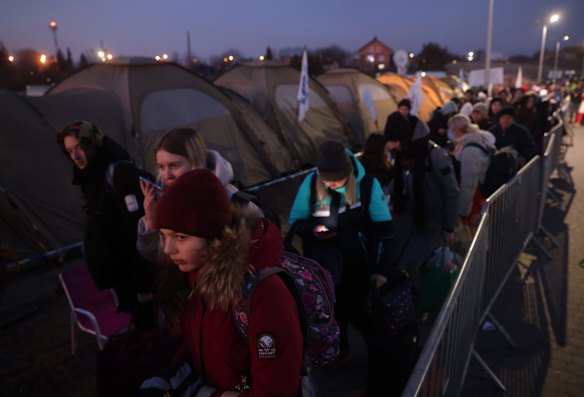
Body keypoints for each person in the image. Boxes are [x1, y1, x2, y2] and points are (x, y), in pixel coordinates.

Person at [142, 169, 302, 396]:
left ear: (213, 235)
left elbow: (275, 389)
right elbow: (199, 342)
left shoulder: (265, 293)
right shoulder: (195, 273)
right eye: (163, 236)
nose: (168, 249)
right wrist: (170, 375)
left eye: (180, 237)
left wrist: (205, 394)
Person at [136, 128, 263, 324]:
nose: (166, 175)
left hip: (230, 300)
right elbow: (160, 254)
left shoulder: (228, 197)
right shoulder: (167, 200)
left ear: (195, 159)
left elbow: (251, 252)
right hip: (192, 301)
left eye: (174, 165)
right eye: (160, 167)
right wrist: (151, 222)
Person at [288, 140, 396, 370]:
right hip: (324, 264)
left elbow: (386, 231)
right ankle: (341, 350)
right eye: (327, 180)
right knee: (333, 311)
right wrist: (313, 231)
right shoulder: (310, 184)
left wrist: (381, 270)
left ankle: (383, 356)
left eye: (338, 179)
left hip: (357, 265)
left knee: (358, 311)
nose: (333, 183)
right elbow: (296, 222)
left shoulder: (367, 185)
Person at [57, 121, 154, 324]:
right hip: (121, 274)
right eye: (69, 151)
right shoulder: (90, 175)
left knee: (152, 331)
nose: (75, 157)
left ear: (92, 144)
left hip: (138, 275)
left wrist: (144, 286)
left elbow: (136, 231)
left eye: (79, 148)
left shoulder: (119, 173)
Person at [385, 114, 460, 288]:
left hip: (431, 223)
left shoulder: (435, 155)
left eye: (396, 140)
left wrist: (449, 226)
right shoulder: (404, 154)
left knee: (413, 265)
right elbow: (396, 183)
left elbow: (451, 192)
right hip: (408, 219)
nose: (393, 145)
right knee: (402, 262)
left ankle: (418, 303)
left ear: (406, 138)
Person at [448, 114, 495, 228]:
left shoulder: (470, 150)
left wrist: (462, 211)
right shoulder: (474, 140)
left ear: (455, 130)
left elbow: (469, 183)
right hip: (475, 198)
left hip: (473, 201)